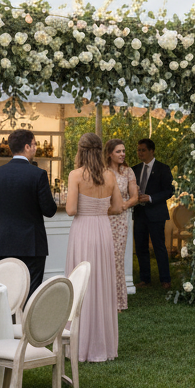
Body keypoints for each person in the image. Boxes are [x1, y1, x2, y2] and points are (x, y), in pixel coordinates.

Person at [65, 133, 124, 362]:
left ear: (80, 150)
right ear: (100, 151)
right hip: (102, 230)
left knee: (81, 283)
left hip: (83, 230)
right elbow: (117, 207)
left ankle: (80, 343)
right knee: (101, 281)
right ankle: (103, 344)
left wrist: (87, 209)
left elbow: (71, 210)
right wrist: (99, 210)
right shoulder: (110, 176)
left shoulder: (76, 175)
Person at [0, 128, 57, 297]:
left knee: (7, 292)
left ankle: (9, 316)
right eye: (34, 144)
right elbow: (49, 210)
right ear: (26, 147)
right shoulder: (38, 174)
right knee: (30, 293)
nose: (35, 148)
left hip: (4, 242)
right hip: (32, 244)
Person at [131, 138, 175, 289]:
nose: (140, 153)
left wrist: (150, 198)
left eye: (143, 150)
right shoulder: (135, 169)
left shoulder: (163, 168)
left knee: (159, 247)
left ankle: (165, 279)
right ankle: (145, 279)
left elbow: (169, 191)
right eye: (138, 150)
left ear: (152, 151)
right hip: (139, 214)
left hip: (156, 214)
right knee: (140, 247)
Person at [105, 139, 140, 310]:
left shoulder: (128, 171)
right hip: (104, 218)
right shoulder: (102, 171)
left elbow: (135, 197)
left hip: (120, 219)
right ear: (109, 153)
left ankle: (118, 301)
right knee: (103, 258)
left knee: (117, 258)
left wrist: (122, 206)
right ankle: (103, 301)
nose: (122, 154)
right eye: (118, 151)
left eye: (123, 151)